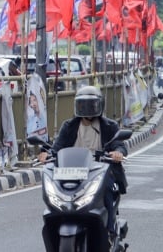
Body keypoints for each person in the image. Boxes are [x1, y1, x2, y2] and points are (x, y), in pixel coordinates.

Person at [37, 86, 127, 239]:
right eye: (82, 105)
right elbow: (57, 147)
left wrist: (118, 153)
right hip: (71, 172)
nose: (87, 109)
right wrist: (47, 154)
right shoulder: (69, 126)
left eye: (91, 105)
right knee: (56, 194)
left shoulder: (110, 126)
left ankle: (110, 232)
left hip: (99, 171)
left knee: (107, 194)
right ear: (77, 106)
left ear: (99, 105)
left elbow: (119, 144)